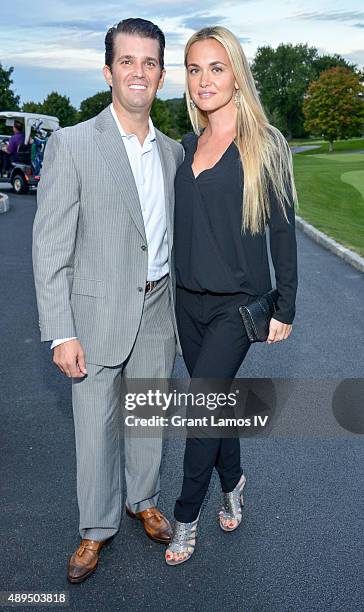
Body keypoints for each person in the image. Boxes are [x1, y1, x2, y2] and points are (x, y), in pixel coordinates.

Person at [32, 18, 183, 583]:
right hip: (94, 315)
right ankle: (94, 530)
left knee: (148, 418)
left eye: (149, 62)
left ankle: (142, 499)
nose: (138, 72)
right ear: (108, 71)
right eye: (127, 61)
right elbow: (50, 247)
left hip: (158, 309)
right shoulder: (72, 144)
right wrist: (60, 331)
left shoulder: (172, 154)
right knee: (95, 425)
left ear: (161, 75)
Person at [165, 26, 298, 565]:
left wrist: (285, 307)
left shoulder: (266, 146)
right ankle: (235, 480)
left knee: (200, 410)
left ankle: (185, 517)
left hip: (235, 308)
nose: (204, 79)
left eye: (216, 67)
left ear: (238, 75)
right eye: (195, 69)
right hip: (186, 302)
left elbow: (284, 231)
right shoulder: (186, 146)